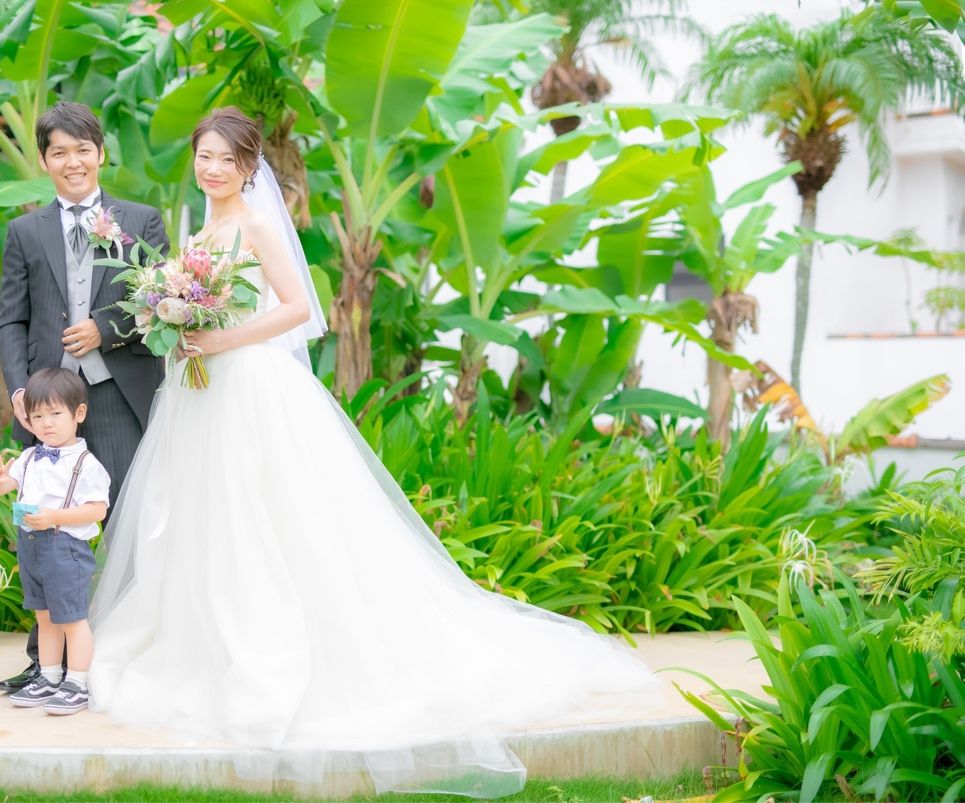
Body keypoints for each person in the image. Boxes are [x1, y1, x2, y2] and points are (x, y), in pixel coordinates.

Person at [87, 108, 660, 797]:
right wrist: (175, 323)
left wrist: (221, 338)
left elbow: (298, 309)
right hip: (199, 393)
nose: (211, 169)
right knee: (206, 518)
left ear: (248, 166)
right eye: (203, 156)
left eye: (224, 159)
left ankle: (272, 649)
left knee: (261, 518)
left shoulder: (257, 226)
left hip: (250, 388)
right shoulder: (199, 232)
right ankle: (199, 646)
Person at [0, 101, 168, 693]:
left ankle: (128, 658)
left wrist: (105, 328)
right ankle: (45, 664)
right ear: (45, 160)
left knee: (125, 525)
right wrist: (20, 388)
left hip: (118, 397)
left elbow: (160, 304)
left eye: (83, 150)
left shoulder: (140, 220)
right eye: (60, 152)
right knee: (41, 532)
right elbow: (11, 321)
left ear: (100, 153)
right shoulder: (24, 231)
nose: (73, 161)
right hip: (46, 406)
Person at [0, 368, 111, 716]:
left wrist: (55, 517)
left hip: (65, 549)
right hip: (30, 547)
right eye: (37, 416)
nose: (46, 423)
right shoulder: (29, 457)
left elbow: (97, 510)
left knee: (71, 619)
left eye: (55, 413)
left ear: (78, 413)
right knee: (44, 617)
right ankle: (50, 676)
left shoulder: (86, 464)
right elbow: (4, 487)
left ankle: (78, 684)